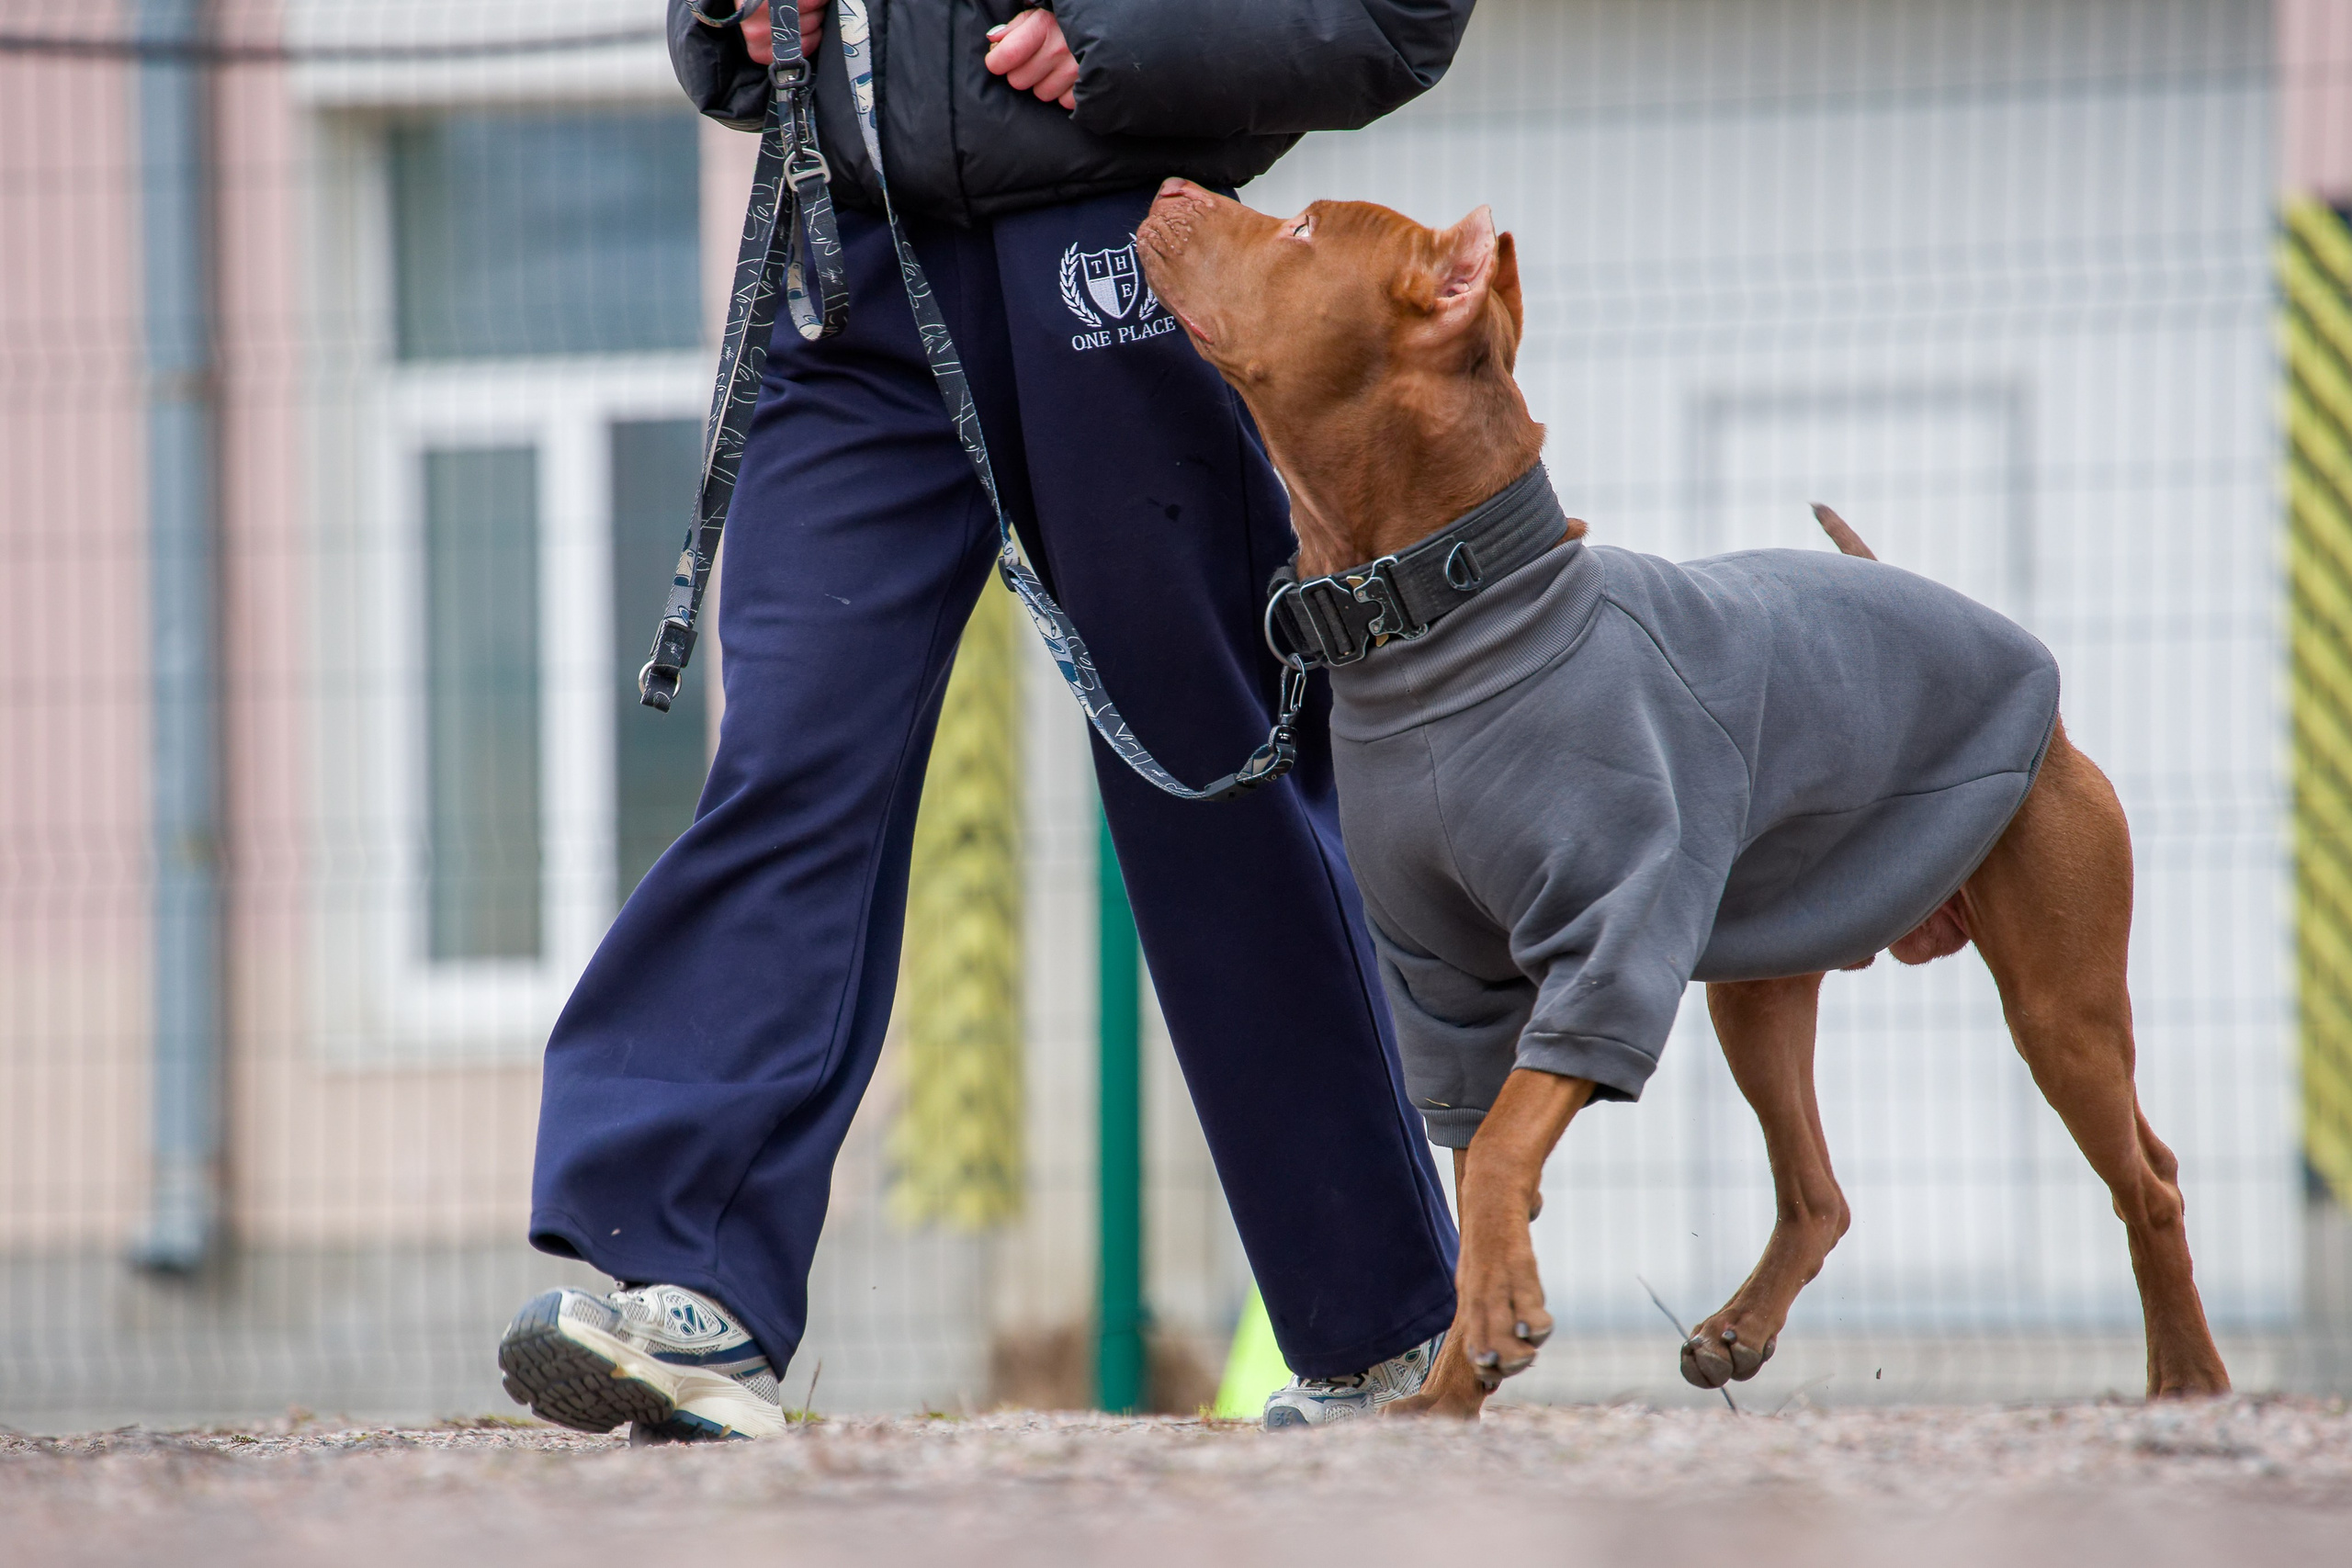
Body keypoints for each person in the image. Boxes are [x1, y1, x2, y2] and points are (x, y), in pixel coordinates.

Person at [495, 0, 1477, 1439]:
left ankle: (1382, 1331)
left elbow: (1400, 19)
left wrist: (1126, 38)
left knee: (1216, 781)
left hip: (1110, 238)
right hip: (849, 256)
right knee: (792, 752)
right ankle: (693, 1284)